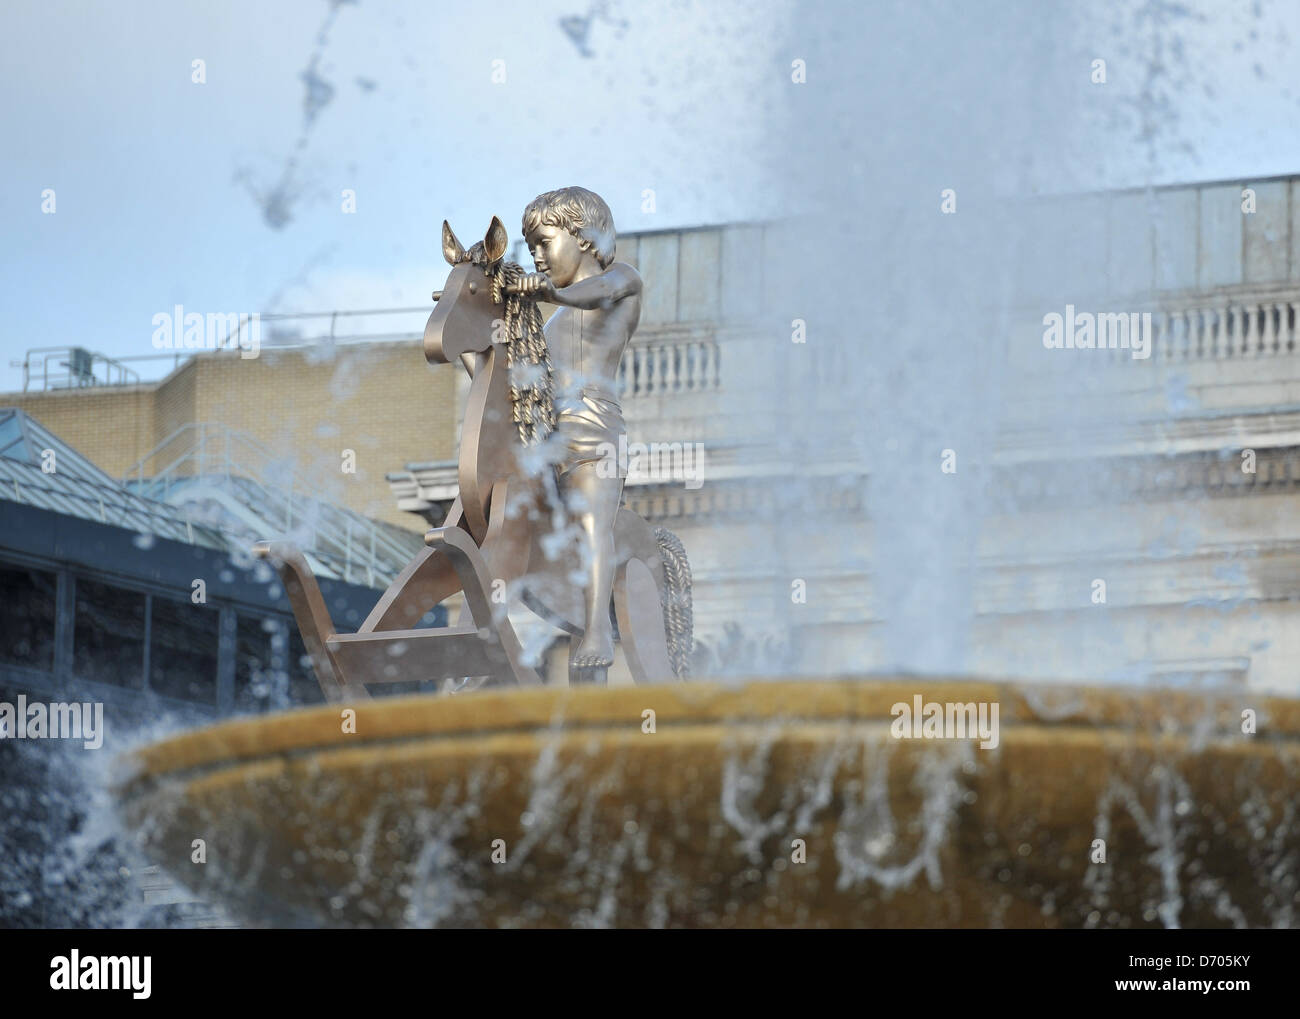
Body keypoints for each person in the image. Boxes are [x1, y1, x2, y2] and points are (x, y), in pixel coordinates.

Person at [508, 187, 642, 678]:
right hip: (547, 443)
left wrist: (547, 292)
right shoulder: (554, 320)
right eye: (532, 249)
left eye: (544, 242)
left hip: (594, 435)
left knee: (592, 523)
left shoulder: (621, 280)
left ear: (583, 237)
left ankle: (597, 629)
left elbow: (596, 294)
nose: (538, 257)